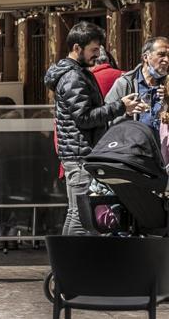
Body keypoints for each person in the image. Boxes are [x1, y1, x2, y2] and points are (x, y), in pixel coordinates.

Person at [44, 22, 142, 236]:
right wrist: (120, 106)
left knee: (75, 213)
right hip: (80, 155)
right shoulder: (73, 77)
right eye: (93, 50)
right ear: (77, 48)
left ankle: (66, 267)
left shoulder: (77, 73)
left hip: (76, 153)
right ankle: (72, 267)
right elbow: (84, 118)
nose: (97, 55)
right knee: (80, 216)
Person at [105, 36, 168, 130]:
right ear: (146, 57)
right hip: (134, 142)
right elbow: (106, 119)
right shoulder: (125, 84)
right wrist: (126, 113)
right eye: (161, 54)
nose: (167, 60)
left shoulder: (167, 84)